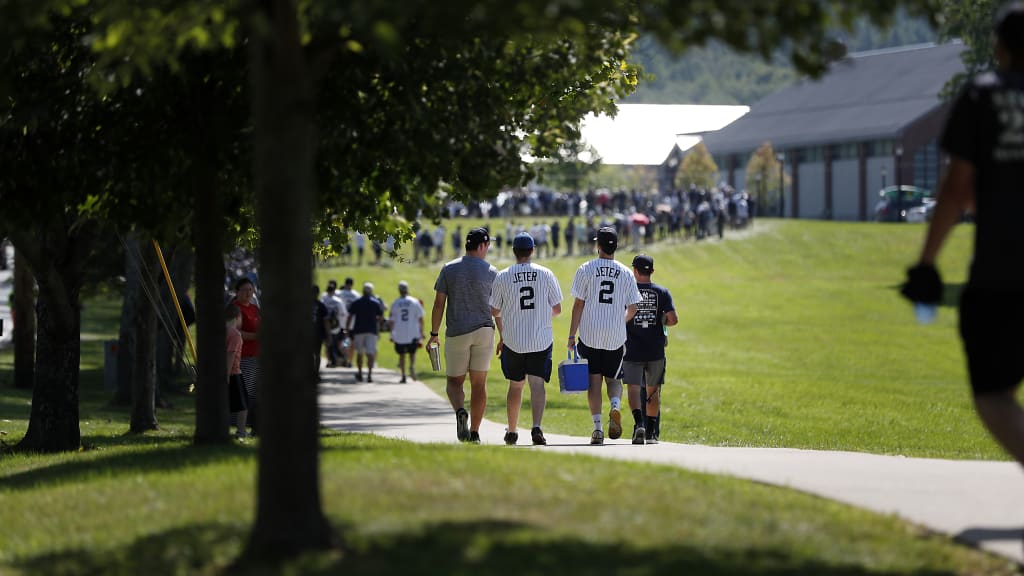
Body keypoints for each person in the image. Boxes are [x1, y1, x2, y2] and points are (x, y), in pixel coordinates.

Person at [902, 4, 1024, 466]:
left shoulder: (984, 95)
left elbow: (957, 188)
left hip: (1004, 269)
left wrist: (928, 262)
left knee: (995, 396)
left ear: (1000, 47)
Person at [567, 226, 642, 445]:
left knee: (594, 381)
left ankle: (598, 429)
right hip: (615, 336)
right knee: (614, 379)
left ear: (598, 246)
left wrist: (572, 335)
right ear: (616, 246)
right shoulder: (626, 272)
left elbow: (578, 304)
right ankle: (616, 406)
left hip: (589, 334)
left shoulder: (585, 269)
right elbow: (634, 307)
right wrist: (621, 320)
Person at [489, 232, 563, 446]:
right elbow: (557, 308)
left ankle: (512, 431)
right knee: (537, 384)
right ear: (532, 251)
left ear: (514, 252)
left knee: (515, 385)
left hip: (514, 339)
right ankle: (536, 427)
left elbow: (494, 310)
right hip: (540, 337)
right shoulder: (546, 273)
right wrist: (540, 313)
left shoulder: (503, 276)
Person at [428, 227, 498, 443]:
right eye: (488, 245)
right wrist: (504, 336)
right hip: (485, 330)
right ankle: (475, 433)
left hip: (458, 331)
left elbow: (439, 304)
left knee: (454, 383)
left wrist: (433, 334)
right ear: (482, 245)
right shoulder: (491, 271)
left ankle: (460, 411)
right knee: (479, 384)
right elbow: (497, 310)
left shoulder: (449, 269)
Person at [622, 254, 678, 444]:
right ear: (652, 271)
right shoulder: (662, 292)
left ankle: (639, 425)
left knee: (634, 389)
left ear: (635, 271)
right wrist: (660, 319)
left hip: (632, 349)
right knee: (653, 392)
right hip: (655, 350)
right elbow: (673, 320)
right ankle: (652, 433)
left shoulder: (627, 292)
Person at [232, 277, 261, 435]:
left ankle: (257, 428)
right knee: (246, 392)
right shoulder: (235, 309)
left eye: (250, 290)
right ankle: (241, 428)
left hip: (258, 355)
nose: (248, 293)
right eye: (244, 290)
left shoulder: (255, 309)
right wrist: (256, 336)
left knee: (257, 393)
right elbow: (236, 333)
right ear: (237, 292)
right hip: (244, 356)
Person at [346, 282, 385, 382]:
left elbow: (350, 316)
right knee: (370, 353)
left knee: (359, 353)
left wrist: (347, 328)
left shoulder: (357, 302)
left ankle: (360, 373)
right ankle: (369, 374)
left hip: (359, 330)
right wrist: (379, 325)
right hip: (372, 330)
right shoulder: (375, 302)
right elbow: (381, 317)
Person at [390, 280, 425, 383]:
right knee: (412, 352)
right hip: (412, 332)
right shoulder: (414, 302)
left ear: (399, 290)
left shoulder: (396, 303)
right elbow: (421, 318)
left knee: (401, 354)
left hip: (399, 332)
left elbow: (391, 320)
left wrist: (392, 334)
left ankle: (403, 375)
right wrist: (421, 332)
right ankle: (412, 366)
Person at [225, 303, 248, 440]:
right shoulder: (235, 334)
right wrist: (227, 375)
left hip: (227, 372)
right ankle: (241, 431)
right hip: (234, 372)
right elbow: (230, 354)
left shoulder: (222, 331)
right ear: (238, 317)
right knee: (243, 405)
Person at [321, 279, 349, 367]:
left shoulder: (323, 299)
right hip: (337, 325)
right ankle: (340, 360)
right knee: (338, 343)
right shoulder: (338, 301)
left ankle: (330, 361)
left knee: (328, 344)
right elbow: (344, 313)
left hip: (325, 325)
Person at [339, 277, 360, 366]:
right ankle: (350, 361)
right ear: (352, 284)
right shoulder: (356, 295)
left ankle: (345, 358)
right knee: (351, 343)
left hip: (342, 322)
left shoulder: (339, 293)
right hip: (353, 323)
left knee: (344, 342)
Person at [312, 285, 331, 373]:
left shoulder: (303, 307)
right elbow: (326, 322)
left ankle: (310, 372)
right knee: (317, 354)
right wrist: (328, 335)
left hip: (306, 334)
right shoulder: (321, 306)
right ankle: (315, 372)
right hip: (318, 333)